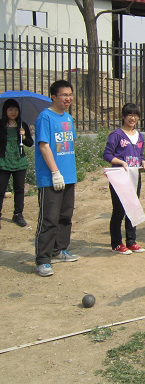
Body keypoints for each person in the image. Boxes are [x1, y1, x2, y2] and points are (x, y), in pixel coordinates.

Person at [34, 80, 79, 277]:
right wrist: (55, 172)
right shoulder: (45, 117)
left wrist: (68, 173)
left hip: (68, 175)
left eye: (70, 94)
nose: (68, 98)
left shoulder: (68, 118)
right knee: (49, 218)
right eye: (64, 95)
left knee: (65, 216)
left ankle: (59, 250)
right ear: (53, 96)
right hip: (51, 177)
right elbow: (44, 146)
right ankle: (43, 259)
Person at [103, 103, 145, 254]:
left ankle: (131, 241)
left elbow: (140, 155)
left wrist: (143, 162)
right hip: (119, 176)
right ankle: (117, 243)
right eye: (129, 115)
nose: (132, 118)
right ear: (123, 116)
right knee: (119, 210)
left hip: (134, 176)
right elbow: (107, 154)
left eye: (135, 115)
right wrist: (120, 162)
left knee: (132, 206)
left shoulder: (140, 136)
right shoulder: (116, 135)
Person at [0, 99, 34, 228]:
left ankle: (18, 214)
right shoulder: (1, 125)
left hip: (19, 161)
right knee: (1, 189)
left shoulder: (22, 125)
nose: (13, 112)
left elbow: (30, 143)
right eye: (10, 109)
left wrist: (24, 136)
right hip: (3, 160)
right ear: (5, 111)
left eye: (15, 109)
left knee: (19, 189)